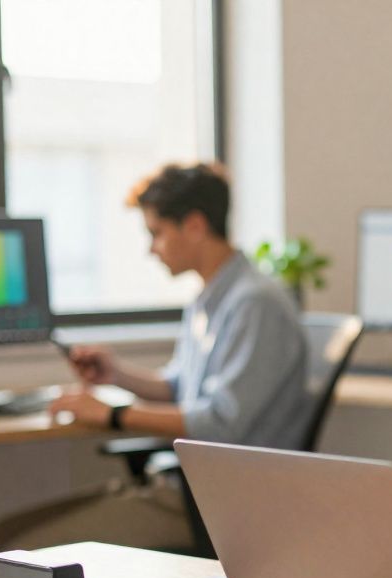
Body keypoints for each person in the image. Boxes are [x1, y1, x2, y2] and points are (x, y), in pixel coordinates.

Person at [49, 163, 309, 451]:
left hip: (243, 486)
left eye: (156, 233)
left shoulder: (256, 303)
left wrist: (114, 415)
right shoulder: (209, 301)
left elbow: (221, 424)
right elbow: (179, 388)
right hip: (207, 479)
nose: (151, 249)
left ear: (195, 226)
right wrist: (117, 375)